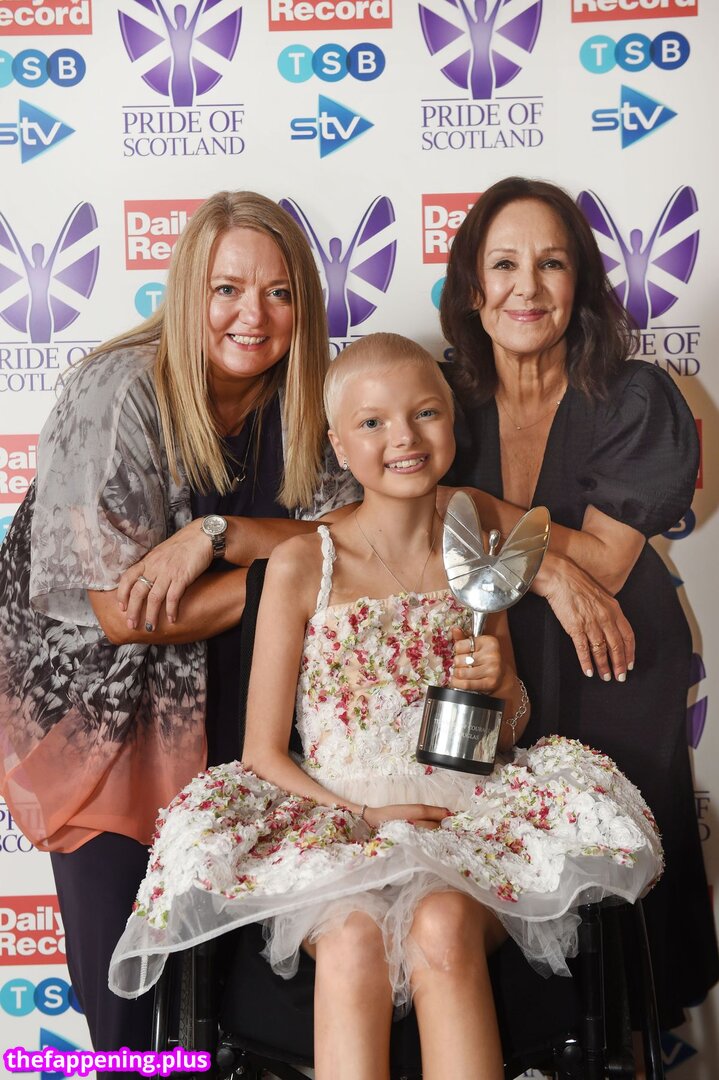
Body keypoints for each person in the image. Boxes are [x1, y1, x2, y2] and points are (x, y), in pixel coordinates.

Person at [109, 334, 662, 1080]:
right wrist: (366, 816)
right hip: (337, 819)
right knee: (353, 938)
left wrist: (502, 685)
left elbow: (501, 735)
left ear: (451, 424)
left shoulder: (476, 551)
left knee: (441, 924)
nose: (403, 437)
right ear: (339, 445)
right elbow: (262, 753)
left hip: (461, 820)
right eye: (372, 423)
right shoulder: (302, 563)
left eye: (424, 413)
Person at [0, 191, 360, 1060]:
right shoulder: (117, 391)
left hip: (255, 711)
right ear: (188, 289)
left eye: (278, 293)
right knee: (132, 1013)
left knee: (241, 1012)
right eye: (226, 289)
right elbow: (124, 616)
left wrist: (217, 536)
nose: (252, 315)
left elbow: (366, 536)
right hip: (106, 721)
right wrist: (286, 569)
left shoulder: (316, 396)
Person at [438, 175, 718, 1028]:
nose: (526, 287)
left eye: (551, 264)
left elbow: (599, 561)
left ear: (580, 284)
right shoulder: (438, 398)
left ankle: (623, 1040)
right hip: (485, 670)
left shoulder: (633, 394)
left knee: (617, 893)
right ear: (472, 286)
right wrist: (548, 572)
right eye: (503, 264)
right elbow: (395, 515)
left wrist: (469, 510)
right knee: (482, 891)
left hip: (611, 664)